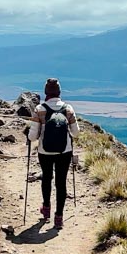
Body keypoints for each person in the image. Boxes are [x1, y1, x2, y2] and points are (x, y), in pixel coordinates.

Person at [26, 78, 79, 229]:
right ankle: (59, 217)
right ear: (59, 92)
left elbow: (32, 136)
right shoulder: (68, 109)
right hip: (65, 151)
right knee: (61, 183)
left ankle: (46, 209)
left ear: (46, 92)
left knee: (47, 178)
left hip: (45, 151)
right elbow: (76, 133)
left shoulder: (40, 109)